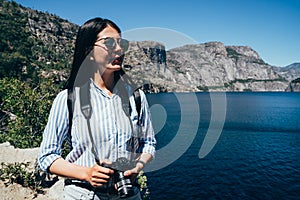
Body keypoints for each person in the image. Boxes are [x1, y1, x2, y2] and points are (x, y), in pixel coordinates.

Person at [38, 17, 156, 200]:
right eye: (109, 42)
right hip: (81, 195)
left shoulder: (136, 97)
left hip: (128, 194)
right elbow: (47, 156)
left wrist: (138, 166)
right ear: (89, 52)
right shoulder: (68, 99)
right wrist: (86, 173)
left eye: (121, 43)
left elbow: (148, 144)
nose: (118, 49)